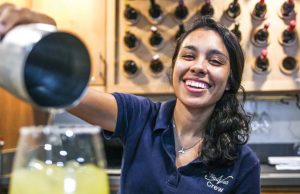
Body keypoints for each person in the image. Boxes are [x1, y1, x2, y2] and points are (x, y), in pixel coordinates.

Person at [0, 3, 260, 194]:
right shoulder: (141, 116)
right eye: (188, 56)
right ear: (175, 68)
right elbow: (67, 92)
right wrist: (42, 37)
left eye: (215, 61)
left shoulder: (243, 163)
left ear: (229, 82)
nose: (199, 67)